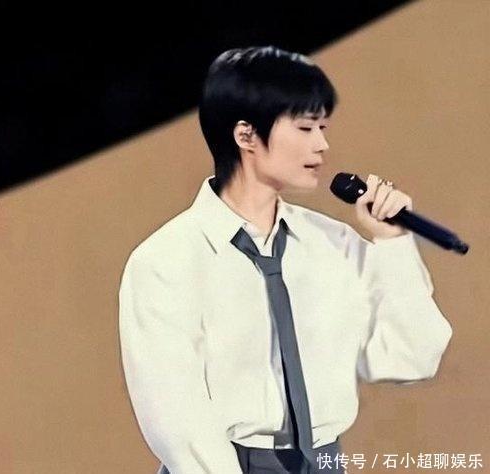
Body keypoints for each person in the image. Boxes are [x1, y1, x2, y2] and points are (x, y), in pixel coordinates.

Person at [118, 46, 452, 474]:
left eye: (323, 127)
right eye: (305, 127)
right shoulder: (167, 260)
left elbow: (413, 357)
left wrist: (392, 244)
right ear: (245, 135)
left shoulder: (333, 244)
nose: (322, 144)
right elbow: (177, 419)